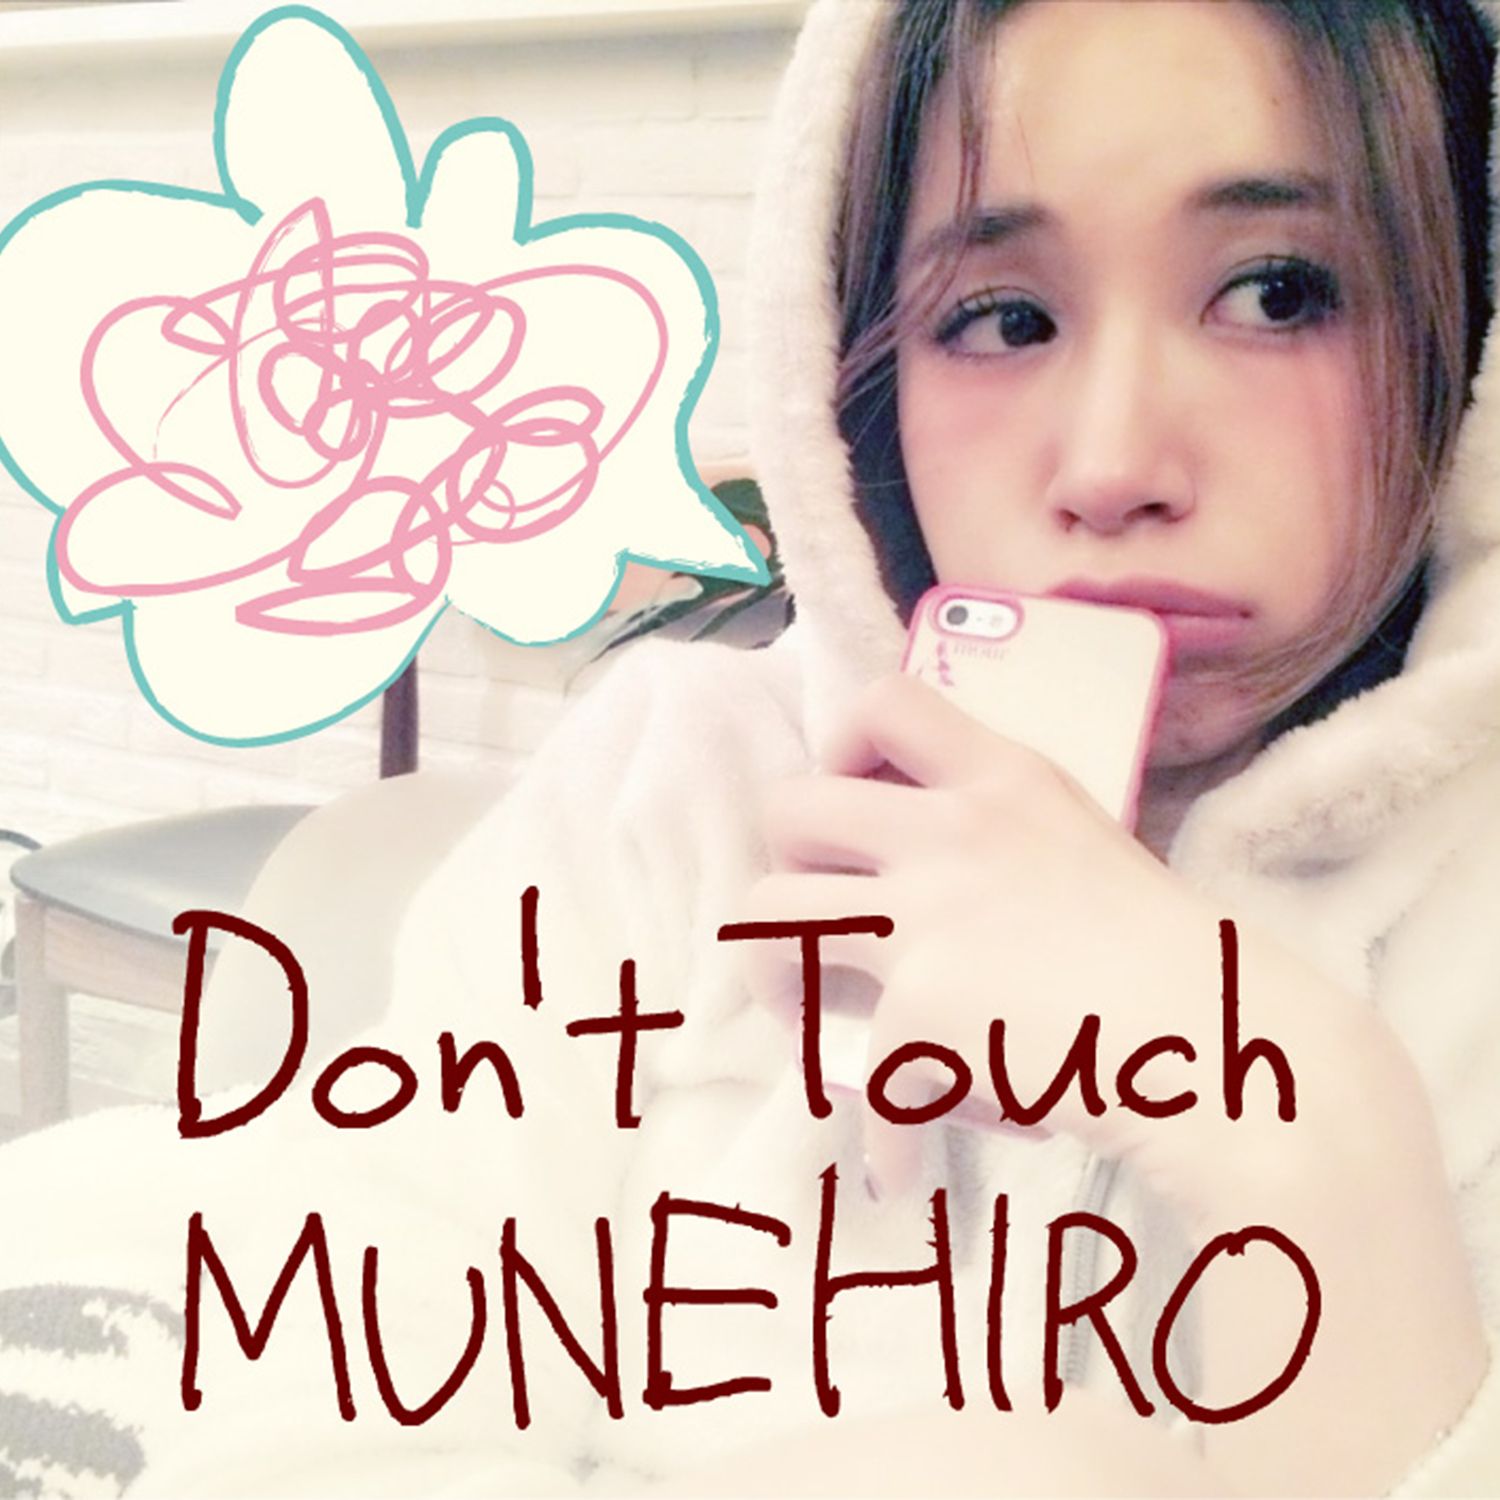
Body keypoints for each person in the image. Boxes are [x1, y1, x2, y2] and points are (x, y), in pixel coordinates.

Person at [4, 0, 1500, 1495]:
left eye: (1280, 293)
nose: (1114, 466)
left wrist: (1310, 1131)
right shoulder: (670, 796)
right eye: (1002, 319)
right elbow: (312, 1387)